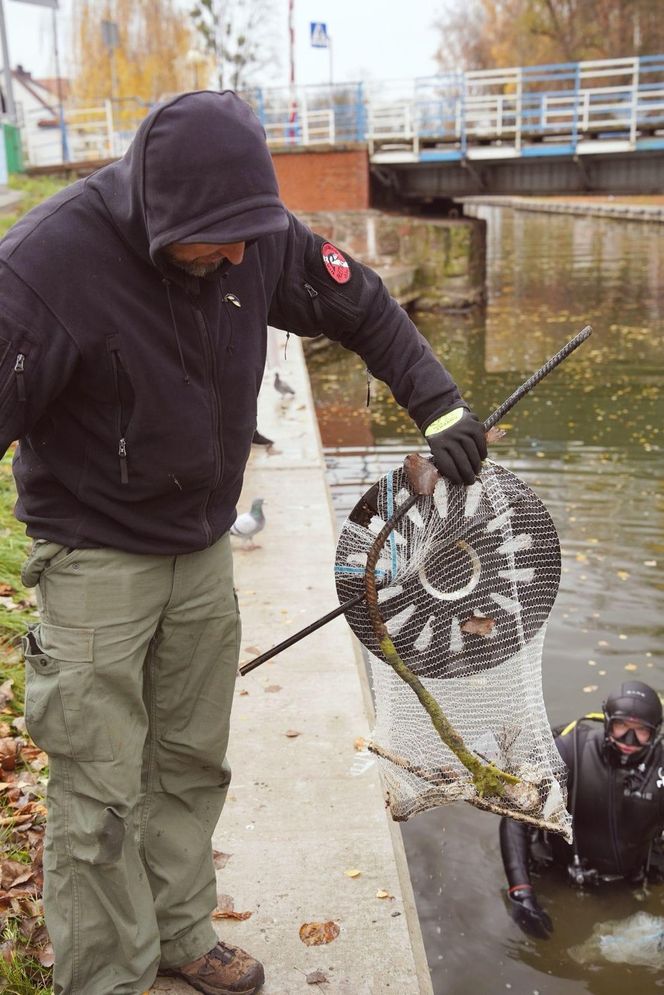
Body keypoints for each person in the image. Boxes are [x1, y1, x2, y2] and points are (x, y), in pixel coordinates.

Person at [0, 91, 487, 995]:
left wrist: (441, 404)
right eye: (217, 240)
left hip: (203, 545)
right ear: (160, 211)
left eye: (247, 235)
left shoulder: (252, 238)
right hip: (95, 555)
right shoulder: (43, 266)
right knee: (99, 785)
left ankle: (183, 931)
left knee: (189, 757)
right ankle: (107, 975)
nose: (238, 256)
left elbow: (361, 304)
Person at [500, 680, 664, 940]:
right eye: (621, 726)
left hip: (630, 883)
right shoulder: (571, 750)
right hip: (559, 874)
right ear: (608, 721)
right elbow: (515, 817)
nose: (629, 740)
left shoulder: (660, 768)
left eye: (641, 731)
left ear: (655, 732)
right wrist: (521, 891)